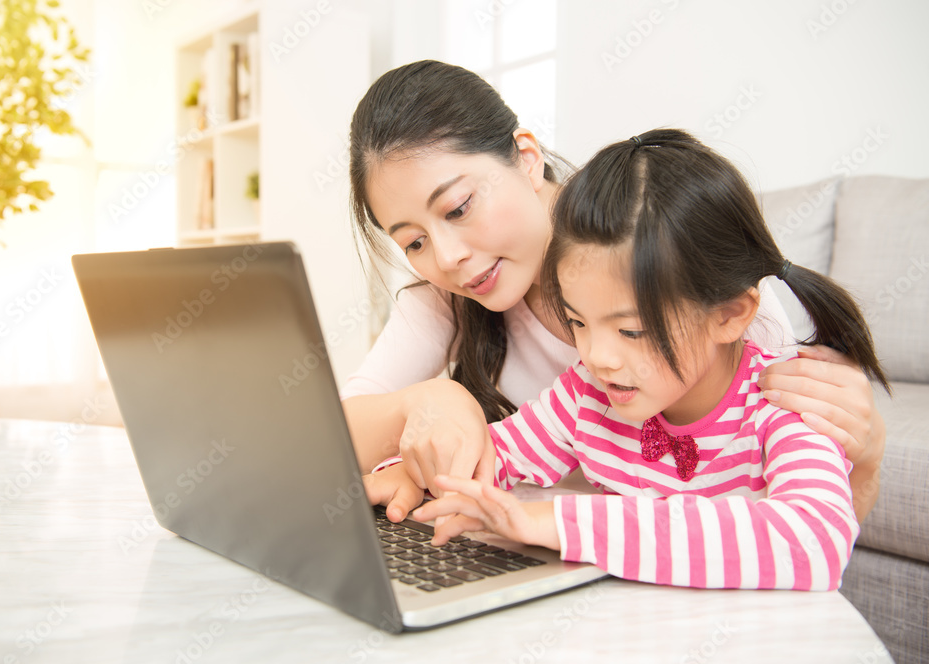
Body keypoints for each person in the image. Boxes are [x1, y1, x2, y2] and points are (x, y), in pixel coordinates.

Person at [343, 59, 885, 522]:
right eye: (413, 242)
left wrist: (865, 457)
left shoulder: (678, 273)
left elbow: (807, 528)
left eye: (459, 207)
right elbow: (332, 435)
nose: (446, 256)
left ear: (526, 158)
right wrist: (430, 400)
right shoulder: (451, 297)